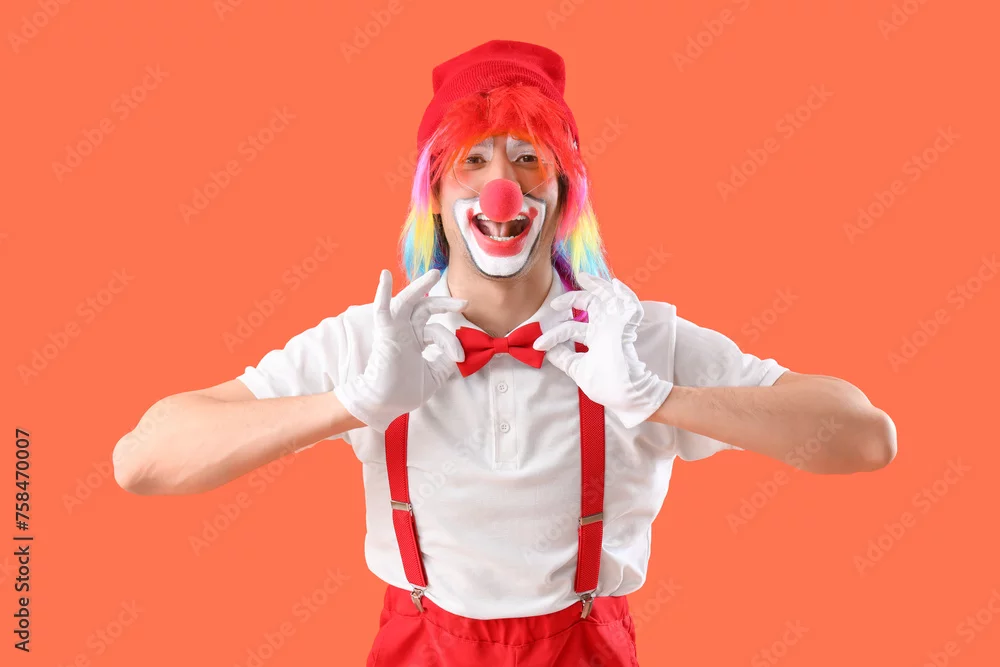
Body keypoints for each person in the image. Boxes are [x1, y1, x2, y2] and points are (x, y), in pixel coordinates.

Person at [112, 39, 897, 666]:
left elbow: (866, 437)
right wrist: (351, 403)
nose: (503, 188)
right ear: (435, 193)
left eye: (529, 158)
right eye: (474, 160)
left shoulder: (631, 339)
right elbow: (141, 460)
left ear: (564, 193)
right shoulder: (375, 340)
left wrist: (657, 396)